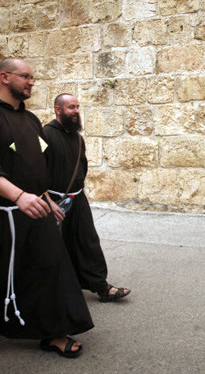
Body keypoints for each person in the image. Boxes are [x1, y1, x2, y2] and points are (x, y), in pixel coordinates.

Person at [0, 59, 93, 358]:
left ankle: (52, 332)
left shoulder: (30, 121)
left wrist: (46, 199)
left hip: (35, 208)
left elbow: (36, 166)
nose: (31, 82)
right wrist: (18, 197)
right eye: (25, 76)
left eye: (32, 77)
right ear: (4, 77)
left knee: (49, 268)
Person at [43, 94, 131, 303]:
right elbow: (31, 167)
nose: (76, 111)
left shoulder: (77, 138)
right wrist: (46, 200)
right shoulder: (44, 135)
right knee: (53, 247)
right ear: (58, 109)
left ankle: (101, 287)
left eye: (78, 107)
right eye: (71, 107)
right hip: (53, 202)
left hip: (78, 199)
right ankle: (54, 290)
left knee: (87, 242)